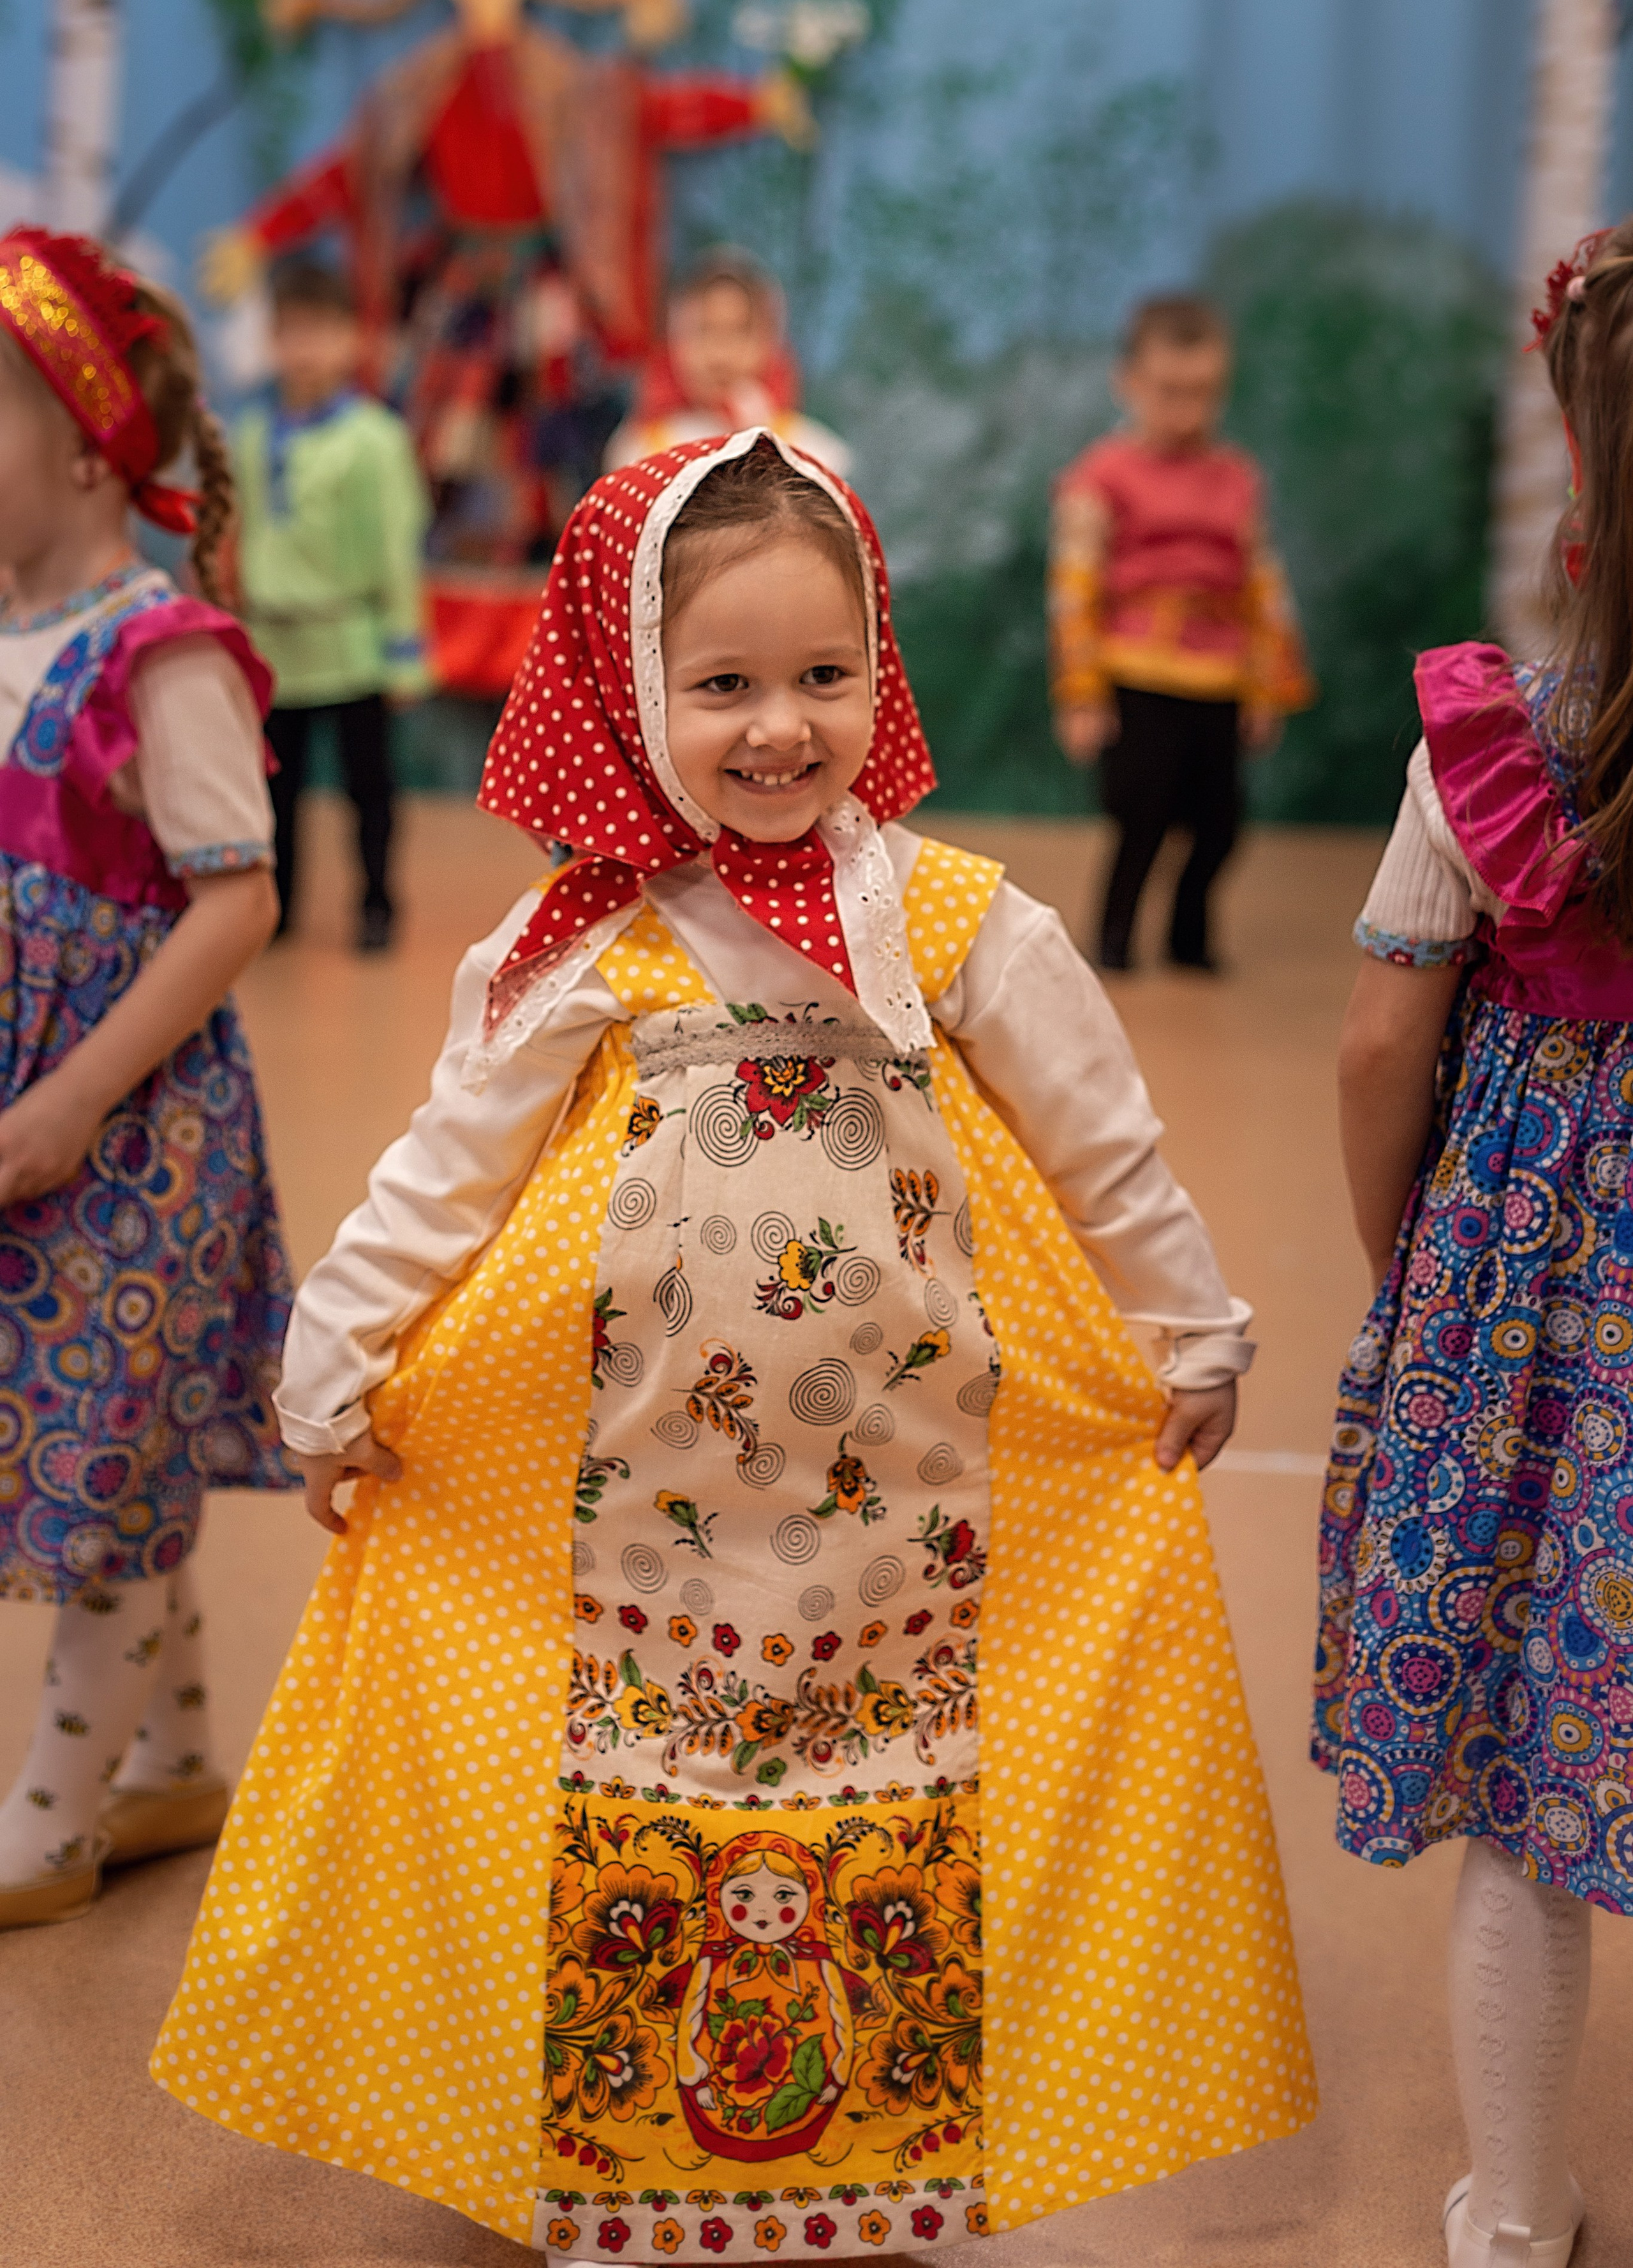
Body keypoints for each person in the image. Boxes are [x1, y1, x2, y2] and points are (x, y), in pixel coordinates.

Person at [153, 431, 1315, 2253]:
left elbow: (1105, 1135)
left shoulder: (957, 922)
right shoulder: (587, 941)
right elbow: (442, 1170)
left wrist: (1191, 1326)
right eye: (723, 686)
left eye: (824, 677)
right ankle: (619, 2136)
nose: (781, 727)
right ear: (630, 691)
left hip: (911, 1511)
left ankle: (876, 2137)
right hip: (626, 1497)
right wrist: (333, 1368)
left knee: (892, 1763)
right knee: (635, 1769)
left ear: (883, 677)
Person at [1313, 220, 1633, 2268]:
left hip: (1528, 1320)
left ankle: (1512, 2212)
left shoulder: (1494, 747)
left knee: (1532, 1772)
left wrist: (1407, 1273)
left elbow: (1372, 1042)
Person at [203, 0, 815, 700]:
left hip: (551, 297)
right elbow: (355, 173)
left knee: (558, 462)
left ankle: (563, 642)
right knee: (445, 459)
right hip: (458, 295)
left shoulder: (575, 83)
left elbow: (654, 111)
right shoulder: (419, 84)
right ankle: (438, 636)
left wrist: (753, 103)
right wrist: (259, 235)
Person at [0, 226, 292, 1930]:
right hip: (44, 1114)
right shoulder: (18, 633)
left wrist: (76, 1098)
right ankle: (176, 1757)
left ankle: (54, 1811)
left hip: (136, 1131)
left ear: (79, 435)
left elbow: (239, 898)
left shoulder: (157, 649)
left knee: (109, 1460)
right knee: (89, 1443)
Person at [1050, 292, 1314, 973]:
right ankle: (1115, 937)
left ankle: (1188, 936)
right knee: (1139, 818)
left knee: (1220, 826)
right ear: (1129, 383)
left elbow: (1263, 584)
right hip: (1135, 672)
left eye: (1204, 393)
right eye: (1169, 392)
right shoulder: (1100, 476)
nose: (1187, 410)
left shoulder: (1236, 478)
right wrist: (1081, 692)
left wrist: (1267, 685)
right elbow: (1073, 586)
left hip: (1219, 676)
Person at [233, 255, 430, 952]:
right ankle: (277, 908)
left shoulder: (375, 440)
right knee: (275, 791)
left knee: (367, 788)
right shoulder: (251, 437)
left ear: (353, 341)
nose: (305, 350)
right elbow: (238, 537)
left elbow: (396, 550)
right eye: (290, 332)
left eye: (321, 332)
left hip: (352, 640)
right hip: (275, 645)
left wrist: (404, 652)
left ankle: (377, 902)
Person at [605, 246, 851, 477]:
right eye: (704, 330)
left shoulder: (815, 457)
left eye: (740, 332)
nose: (720, 356)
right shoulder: (638, 452)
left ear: (771, 342)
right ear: (674, 340)